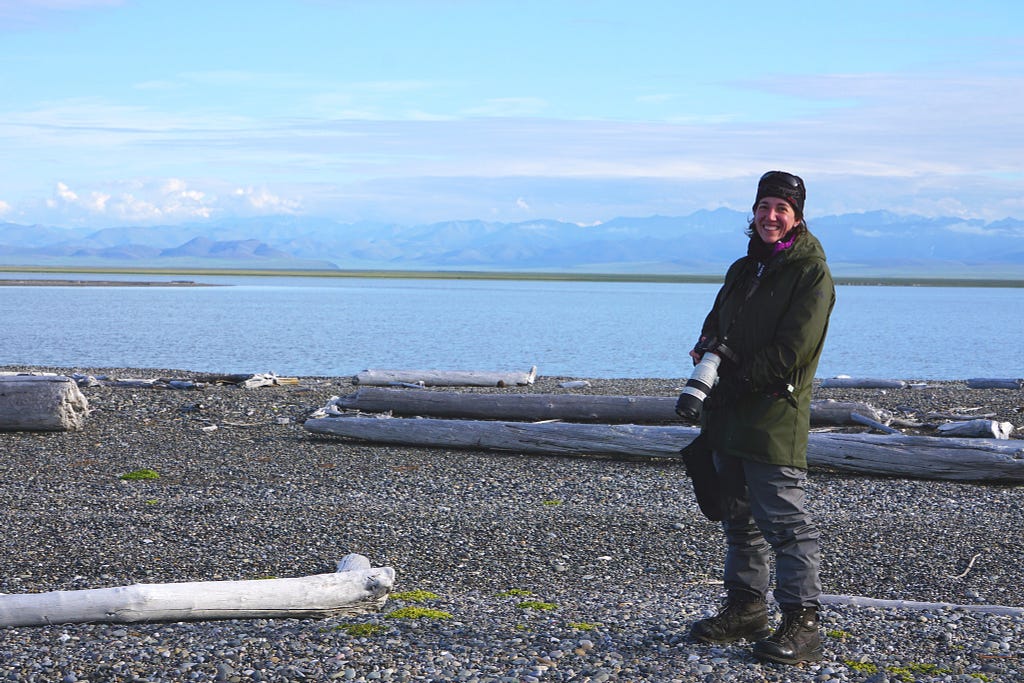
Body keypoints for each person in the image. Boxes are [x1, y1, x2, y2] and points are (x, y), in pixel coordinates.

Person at [679, 170, 835, 665]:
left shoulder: (810, 274)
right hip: (728, 415)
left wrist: (734, 378)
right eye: (764, 207)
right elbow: (715, 321)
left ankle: (803, 623)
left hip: (773, 415)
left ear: (797, 216)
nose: (770, 217)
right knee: (739, 521)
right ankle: (746, 609)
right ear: (754, 212)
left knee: (787, 524)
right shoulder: (744, 269)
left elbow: (793, 349)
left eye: (781, 209)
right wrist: (706, 349)